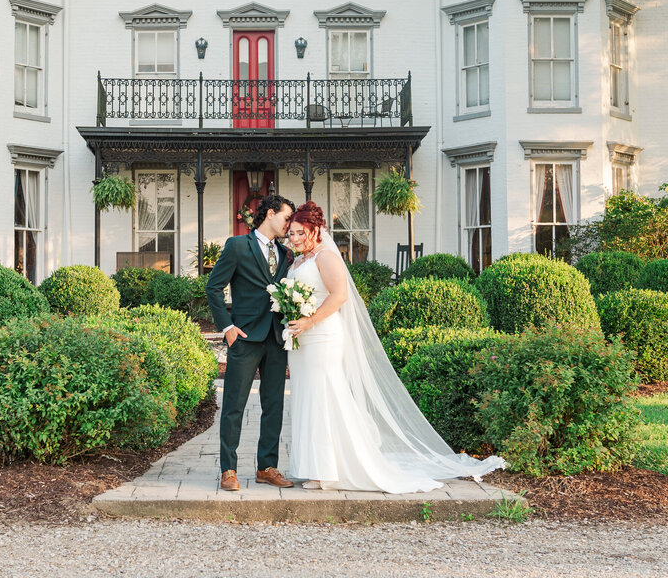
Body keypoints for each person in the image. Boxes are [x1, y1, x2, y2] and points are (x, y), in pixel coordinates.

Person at [283, 201, 505, 493]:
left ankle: (329, 470)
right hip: (303, 340)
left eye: (300, 233)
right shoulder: (299, 261)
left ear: (316, 230)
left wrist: (309, 322)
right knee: (307, 398)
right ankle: (312, 465)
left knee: (326, 399)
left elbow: (339, 296)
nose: (295, 239)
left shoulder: (326, 257)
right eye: (291, 234)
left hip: (323, 336)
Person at [205, 193, 297, 492]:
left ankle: (266, 467)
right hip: (244, 337)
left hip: (276, 337)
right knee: (234, 405)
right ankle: (228, 470)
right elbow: (214, 287)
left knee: (274, 405)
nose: (289, 224)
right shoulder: (237, 246)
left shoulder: (285, 254)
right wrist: (227, 327)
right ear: (270, 213)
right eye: (286, 218)